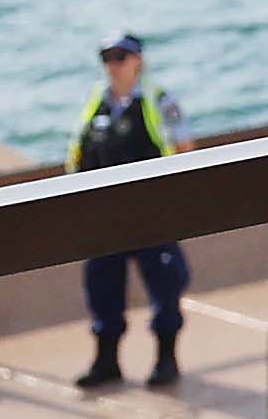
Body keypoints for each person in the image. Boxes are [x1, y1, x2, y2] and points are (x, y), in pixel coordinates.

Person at [70, 33, 188, 392]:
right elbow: (78, 150)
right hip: (105, 218)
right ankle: (107, 361)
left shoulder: (157, 100)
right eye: (108, 58)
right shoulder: (97, 101)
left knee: (165, 285)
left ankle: (166, 359)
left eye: (121, 57)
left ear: (138, 61)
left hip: (150, 215)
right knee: (102, 288)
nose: (113, 65)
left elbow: (183, 147)